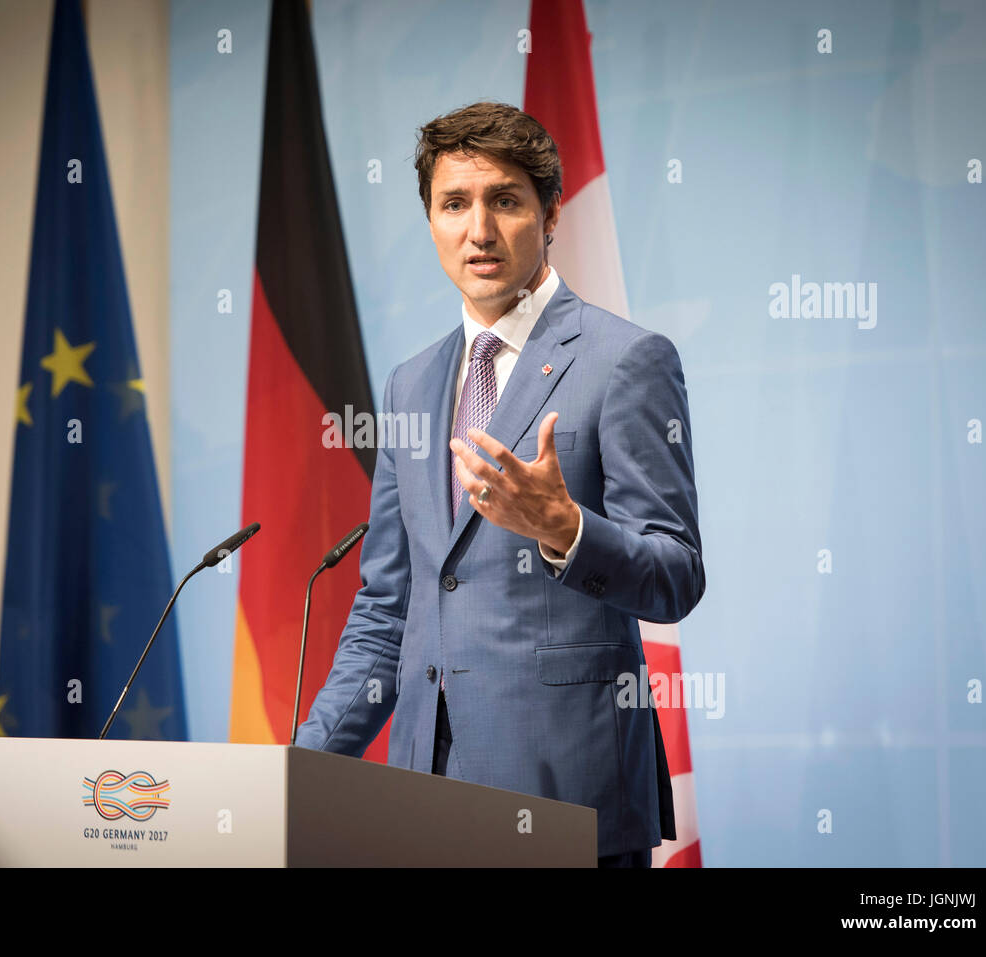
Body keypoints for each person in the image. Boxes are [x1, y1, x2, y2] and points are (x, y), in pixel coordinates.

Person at [294, 101, 704, 867]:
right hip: (423, 800)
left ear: (550, 215)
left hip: (566, 797)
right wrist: (301, 765)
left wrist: (565, 529)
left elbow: (676, 573)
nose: (478, 229)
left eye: (504, 200)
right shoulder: (412, 383)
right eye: (454, 203)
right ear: (430, 220)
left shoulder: (626, 361)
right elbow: (390, 607)